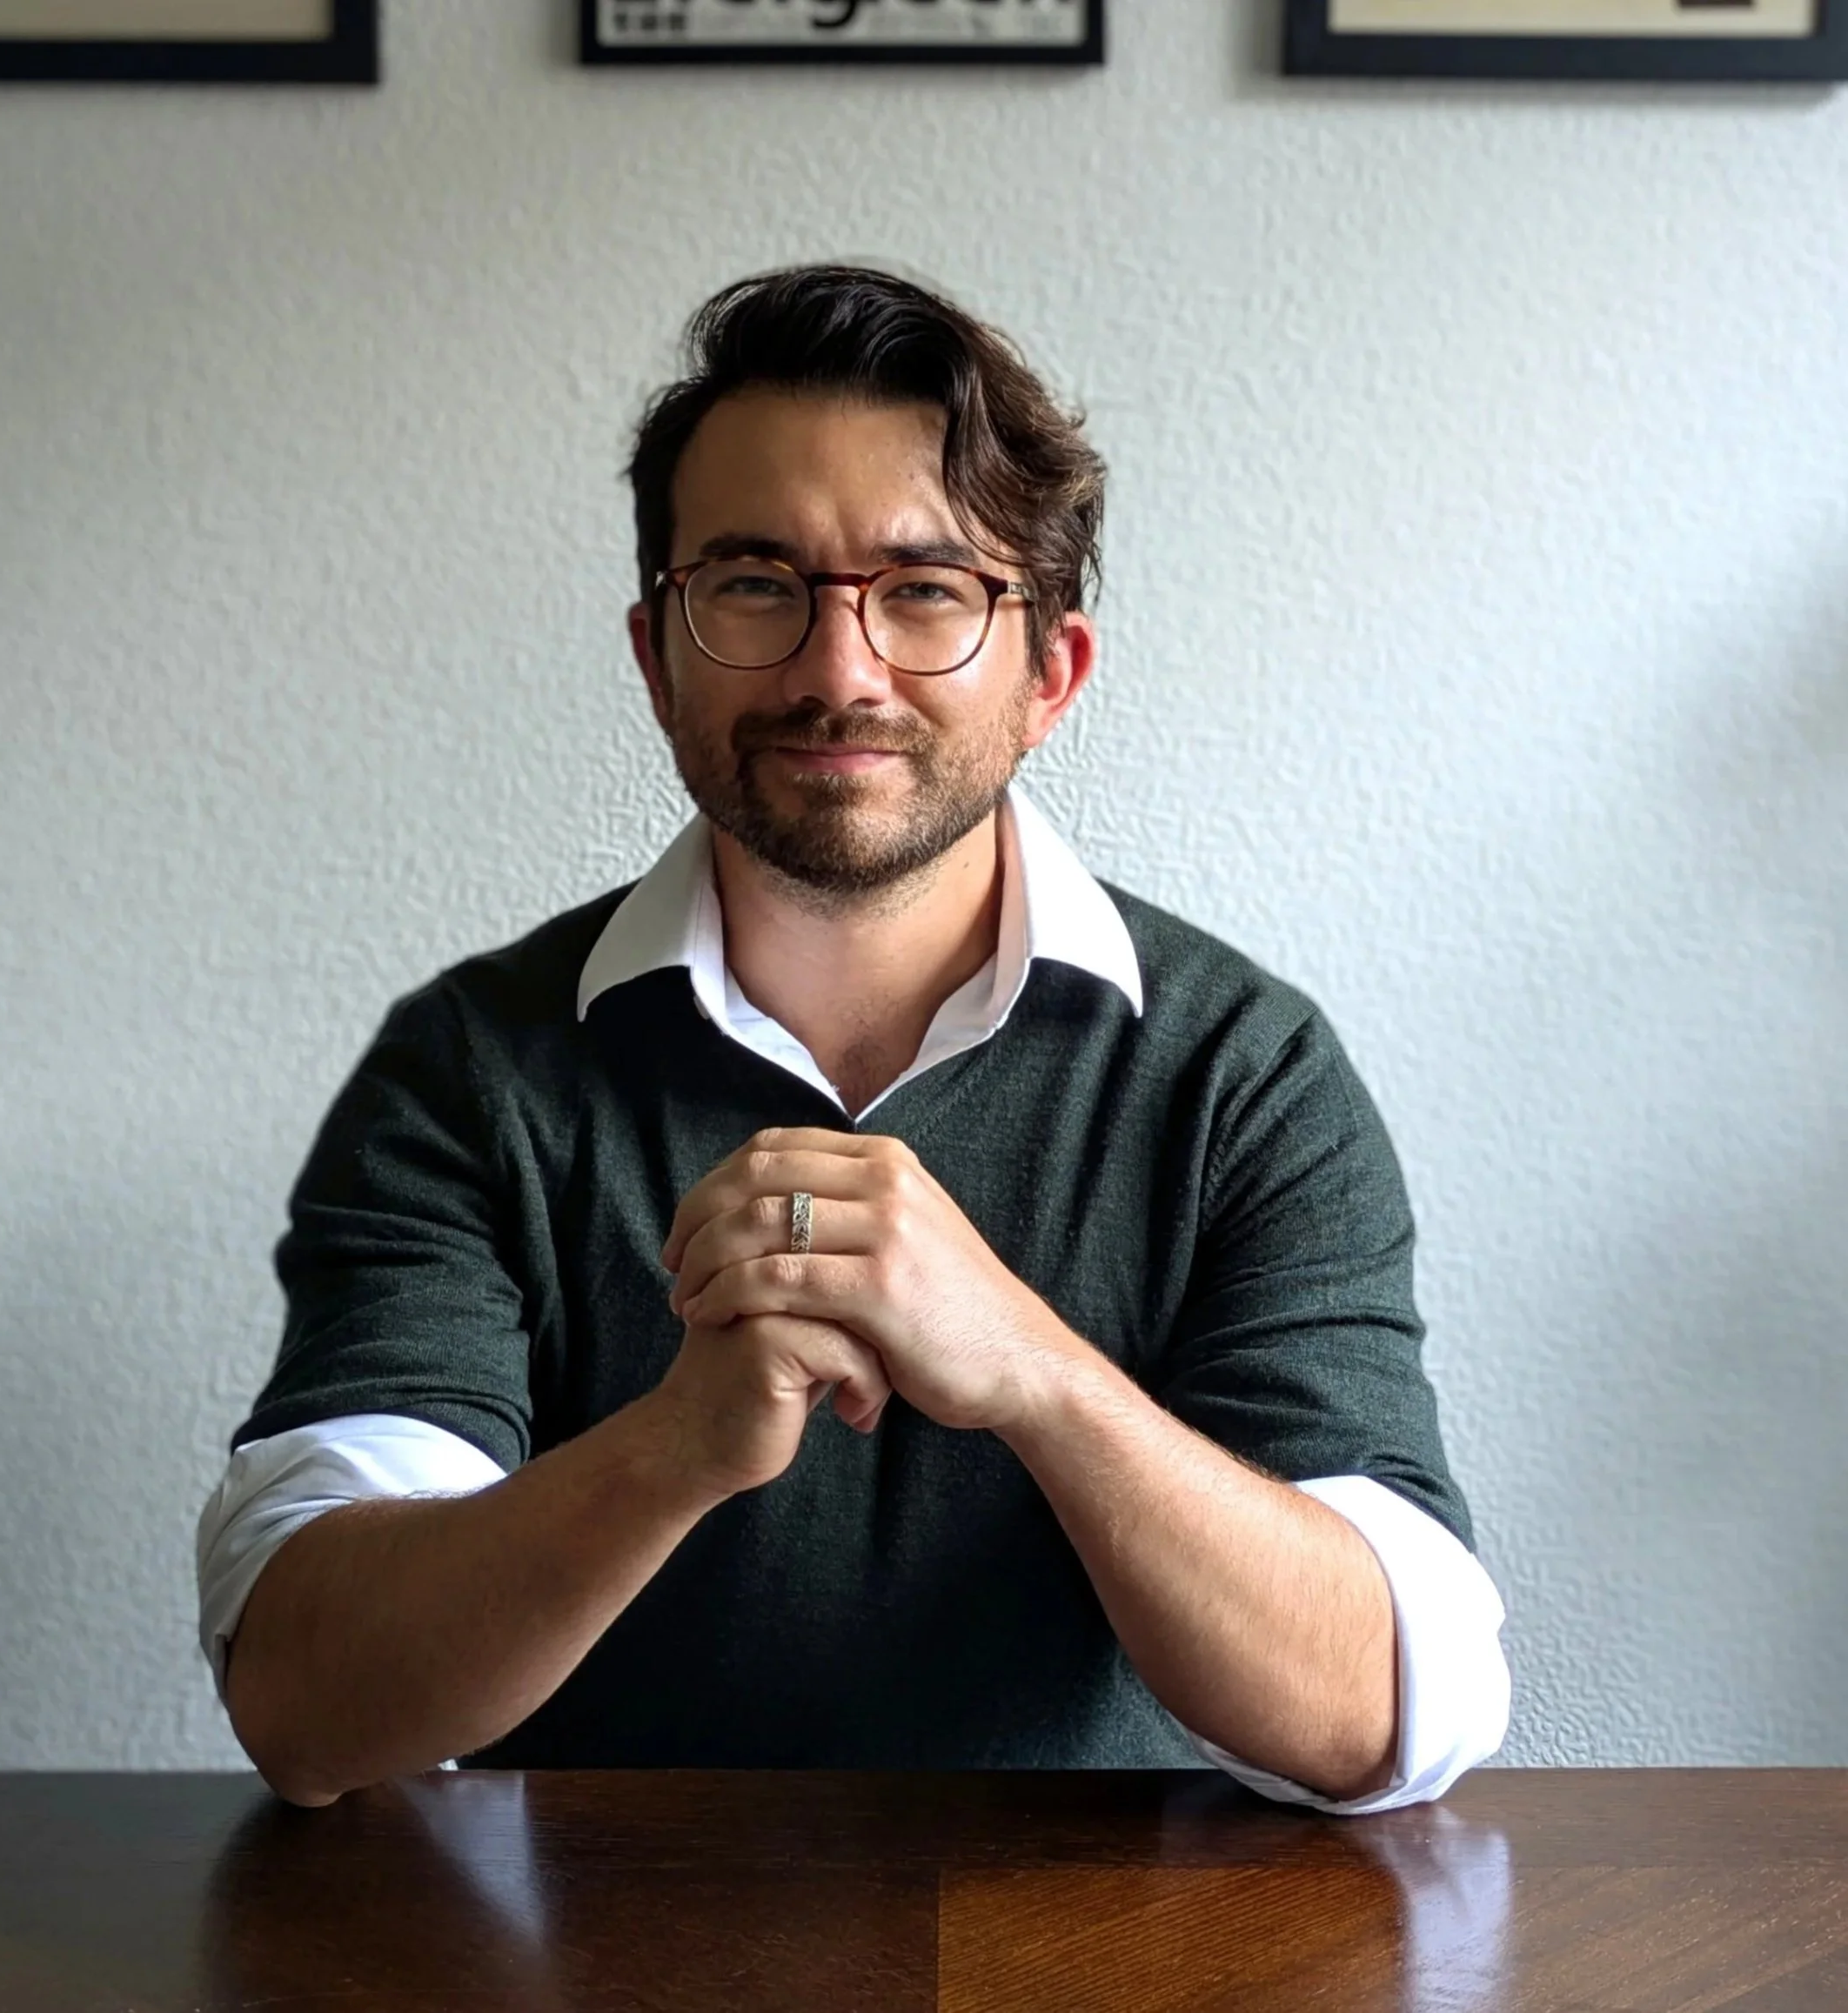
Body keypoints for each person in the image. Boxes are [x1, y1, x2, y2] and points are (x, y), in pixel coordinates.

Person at [195, 264, 1511, 1812]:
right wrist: (677, 1442)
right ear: (654, 651)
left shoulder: (1241, 1073)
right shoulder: (476, 1069)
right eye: (756, 585)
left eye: (927, 591)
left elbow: (1387, 1710)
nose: (839, 670)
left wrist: (1029, 1365)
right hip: (590, 1975)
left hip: (1121, 1967)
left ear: (1051, 676)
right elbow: (303, 1698)